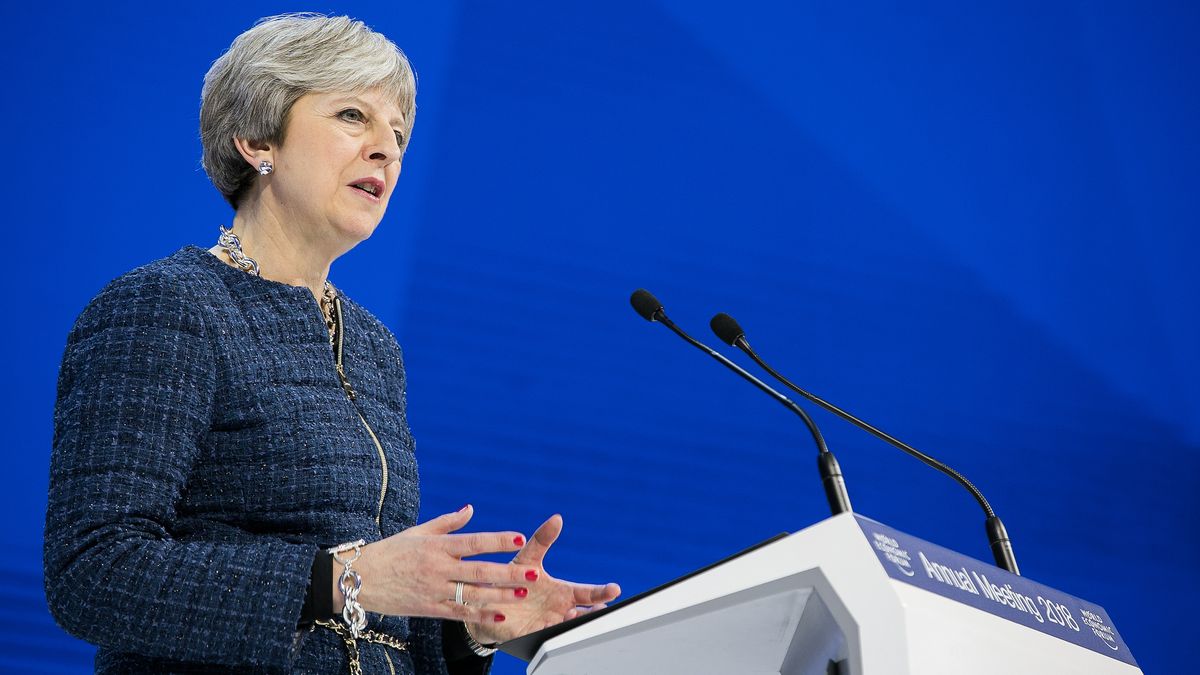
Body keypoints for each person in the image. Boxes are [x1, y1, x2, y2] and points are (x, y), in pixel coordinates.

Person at [44, 13, 620, 674]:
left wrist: (469, 625)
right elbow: (92, 570)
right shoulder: (167, 306)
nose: (387, 149)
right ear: (258, 138)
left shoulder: (374, 347)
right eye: (354, 116)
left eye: (399, 132)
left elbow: (362, 613)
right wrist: (342, 579)